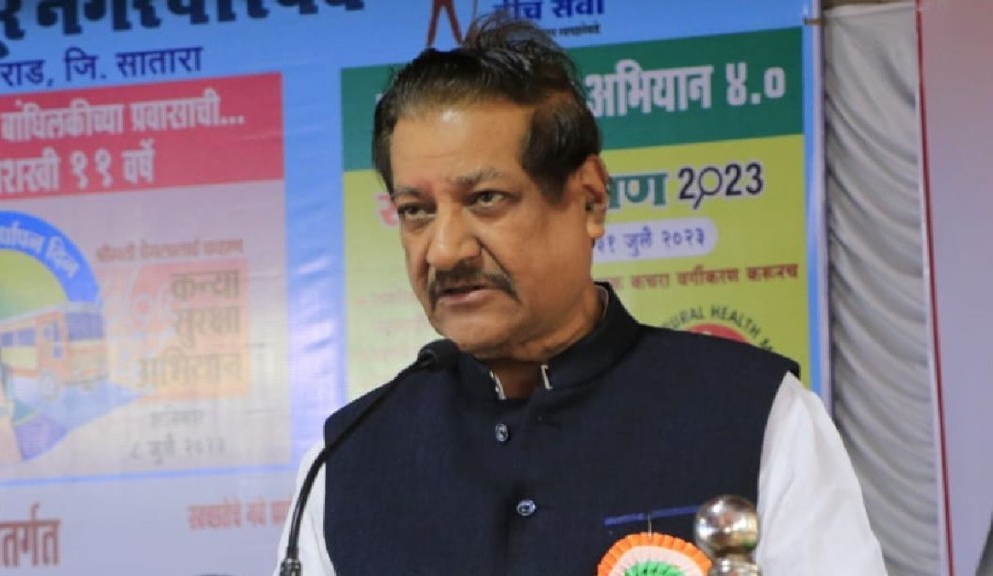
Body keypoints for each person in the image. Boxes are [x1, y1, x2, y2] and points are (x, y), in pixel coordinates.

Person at [278, 15, 888, 575]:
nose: (444, 251)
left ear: (590, 200)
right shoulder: (344, 461)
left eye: (486, 199)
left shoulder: (753, 413)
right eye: (416, 210)